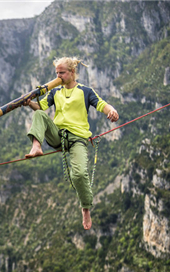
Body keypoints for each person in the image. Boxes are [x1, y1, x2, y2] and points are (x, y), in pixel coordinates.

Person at [22, 57, 119, 230]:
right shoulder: (55, 92)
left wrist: (111, 110)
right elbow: (41, 108)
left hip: (78, 138)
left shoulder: (85, 91)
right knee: (39, 116)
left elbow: (102, 104)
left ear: (72, 72)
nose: (58, 76)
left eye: (62, 73)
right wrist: (29, 103)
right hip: (58, 135)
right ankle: (36, 146)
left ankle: (86, 206)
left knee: (80, 174)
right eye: (57, 73)